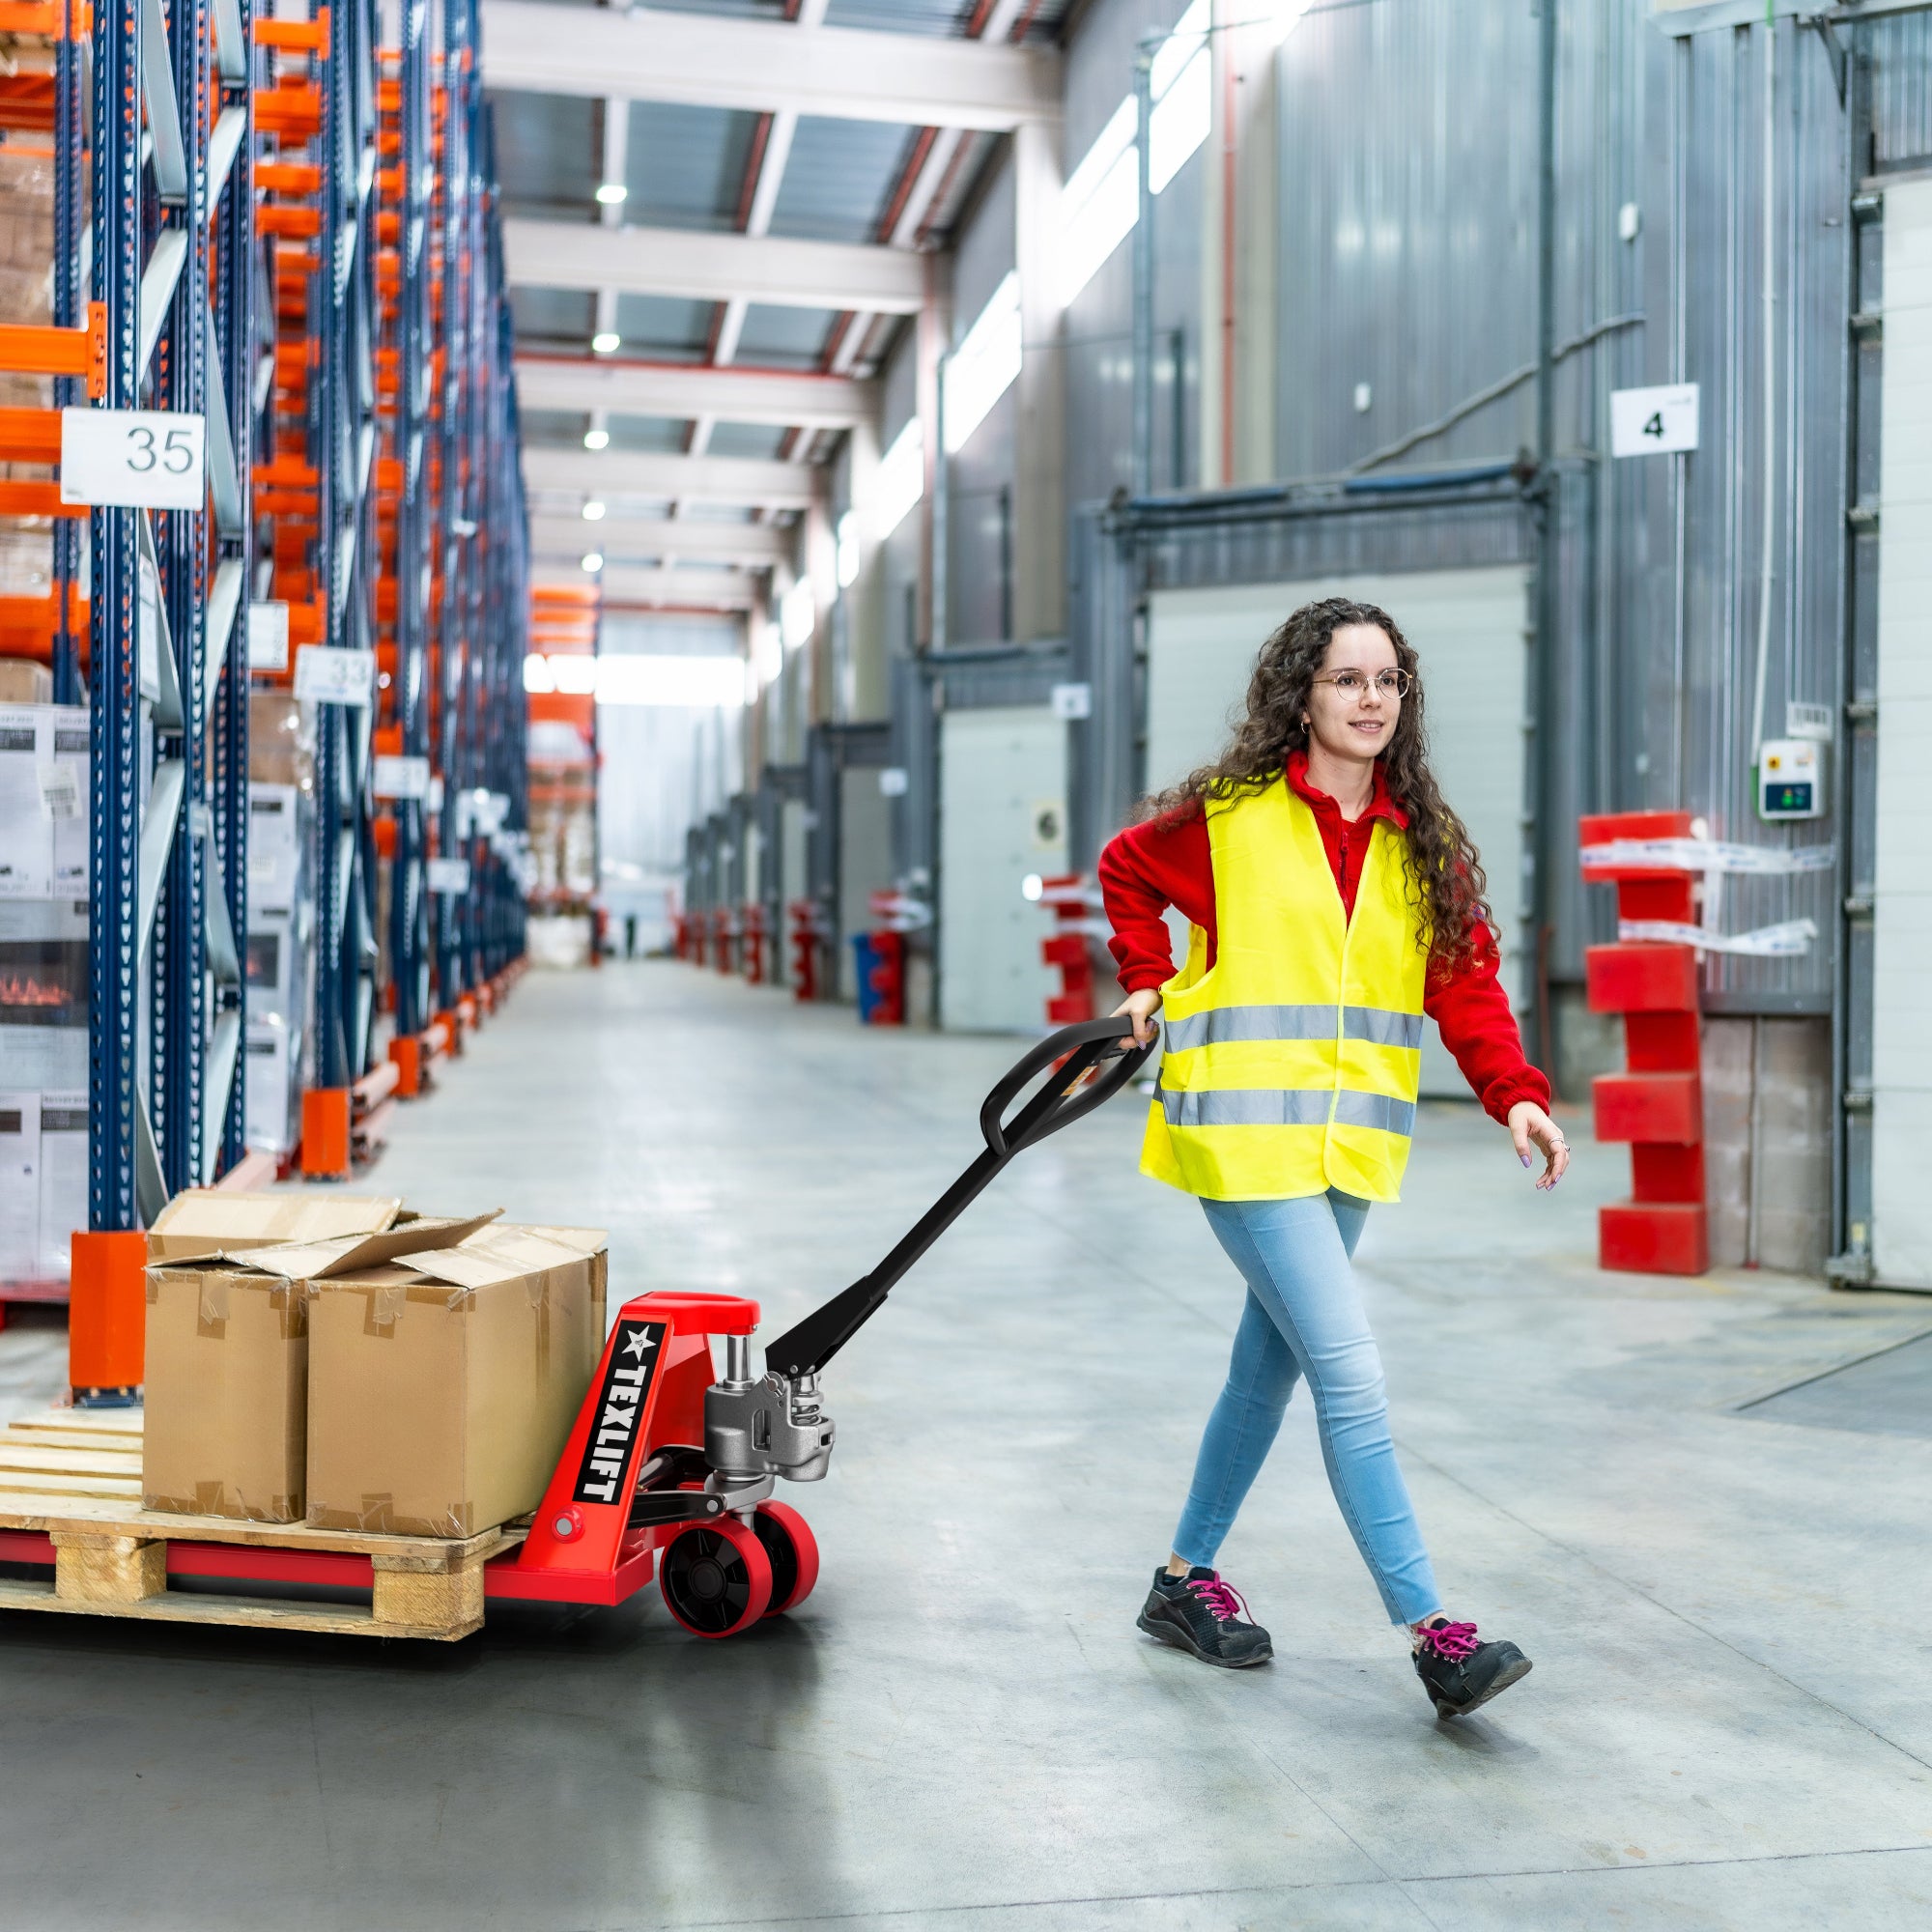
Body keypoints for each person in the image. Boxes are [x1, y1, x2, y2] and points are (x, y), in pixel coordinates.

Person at [1098, 596, 1568, 1720]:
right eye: (1347, 679)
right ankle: (1433, 1632)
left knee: (1266, 1369)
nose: (1370, 699)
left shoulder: (1421, 844)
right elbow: (1124, 865)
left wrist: (1514, 1094)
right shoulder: (1231, 817)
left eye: (1388, 681)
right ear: (1300, 695)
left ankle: (1179, 1581)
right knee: (1348, 1375)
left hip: (1349, 1146)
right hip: (1240, 1137)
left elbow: (1462, 981)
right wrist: (1142, 972)